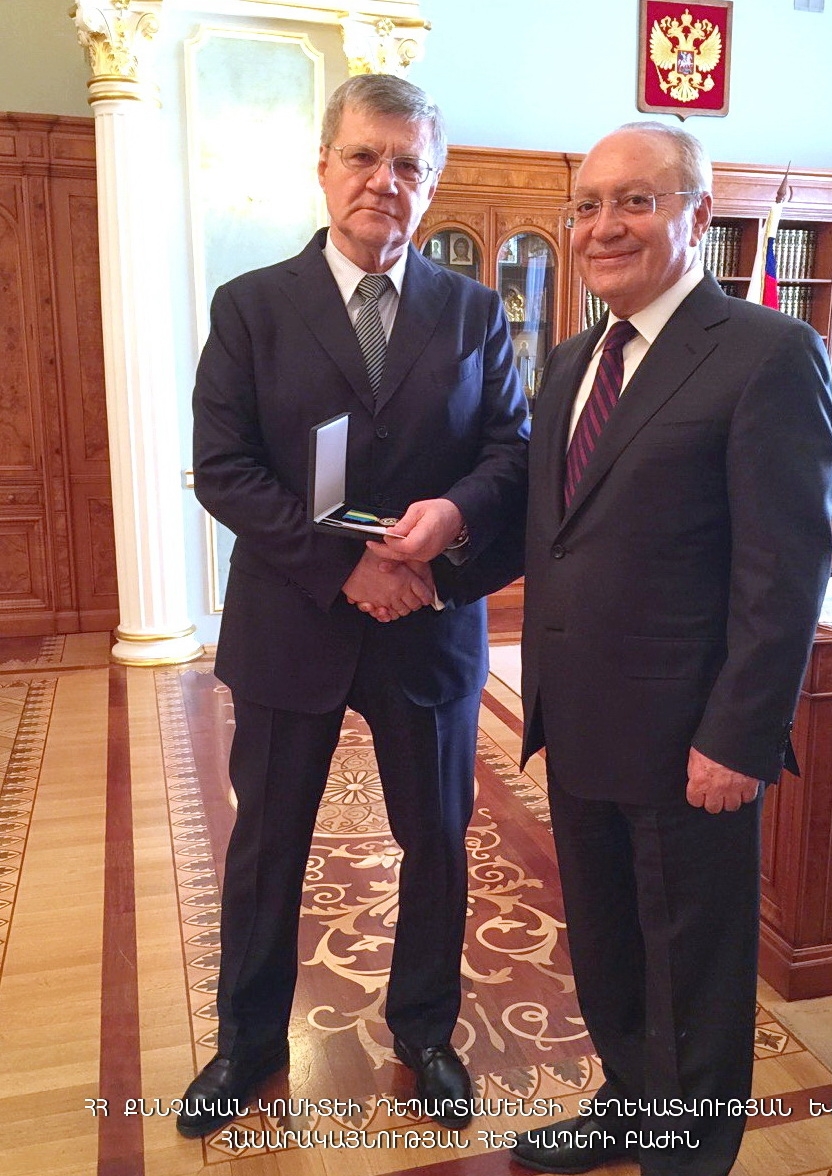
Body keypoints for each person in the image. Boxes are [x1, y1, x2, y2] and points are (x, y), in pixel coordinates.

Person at [178, 73, 528, 1139]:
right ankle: (246, 1042)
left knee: (439, 839)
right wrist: (344, 568)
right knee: (268, 843)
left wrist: (450, 518)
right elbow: (224, 468)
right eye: (365, 156)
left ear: (432, 183)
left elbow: (511, 452)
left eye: (408, 164)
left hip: (428, 625)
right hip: (293, 621)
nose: (385, 180)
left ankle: (425, 1031)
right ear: (325, 167)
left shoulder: (474, 312)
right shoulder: (251, 307)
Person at [512, 122, 832, 1176]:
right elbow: (552, 529)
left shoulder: (766, 352)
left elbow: (783, 570)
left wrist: (740, 737)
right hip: (579, 721)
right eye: (587, 205)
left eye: (635, 201)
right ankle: (626, 1104)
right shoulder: (572, 360)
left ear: (695, 214)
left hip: (692, 741)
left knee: (692, 972)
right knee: (608, 945)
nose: (603, 226)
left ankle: (687, 1156)